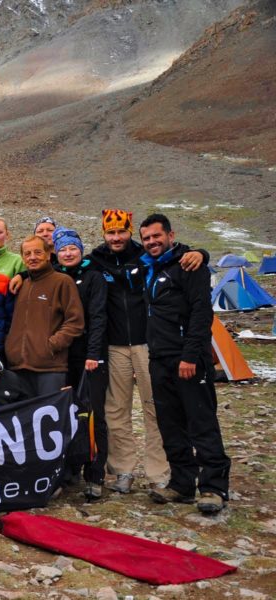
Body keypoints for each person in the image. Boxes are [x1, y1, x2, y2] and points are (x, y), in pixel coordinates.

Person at [88, 209, 204, 494]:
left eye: (121, 231)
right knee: (116, 409)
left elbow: (177, 255)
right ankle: (123, 470)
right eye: (111, 232)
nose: (116, 237)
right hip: (114, 345)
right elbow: (66, 266)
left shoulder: (145, 256)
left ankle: (159, 472)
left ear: (130, 232)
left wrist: (201, 253)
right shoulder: (96, 260)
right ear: (104, 234)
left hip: (147, 343)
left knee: (155, 408)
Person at [139, 214, 229, 515]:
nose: (152, 242)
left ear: (170, 235)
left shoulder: (190, 265)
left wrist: (190, 356)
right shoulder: (151, 267)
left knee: (200, 421)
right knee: (170, 423)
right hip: (159, 358)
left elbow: (202, 314)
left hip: (188, 358)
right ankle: (182, 483)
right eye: (146, 238)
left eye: (157, 236)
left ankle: (214, 487)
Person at [53, 228, 109, 501]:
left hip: (89, 355)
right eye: (63, 249)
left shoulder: (93, 276)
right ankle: (69, 469)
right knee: (67, 413)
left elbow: (98, 316)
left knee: (93, 413)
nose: (68, 253)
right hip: (63, 356)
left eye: (72, 248)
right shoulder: (55, 276)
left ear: (81, 249)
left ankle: (95, 474)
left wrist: (94, 353)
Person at [5, 235, 83, 397]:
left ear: (48, 255)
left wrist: (51, 346)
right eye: (27, 254)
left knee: (50, 412)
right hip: (18, 367)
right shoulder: (22, 285)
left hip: (50, 368)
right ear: (23, 258)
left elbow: (75, 322)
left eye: (38, 252)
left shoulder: (62, 281)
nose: (32, 257)